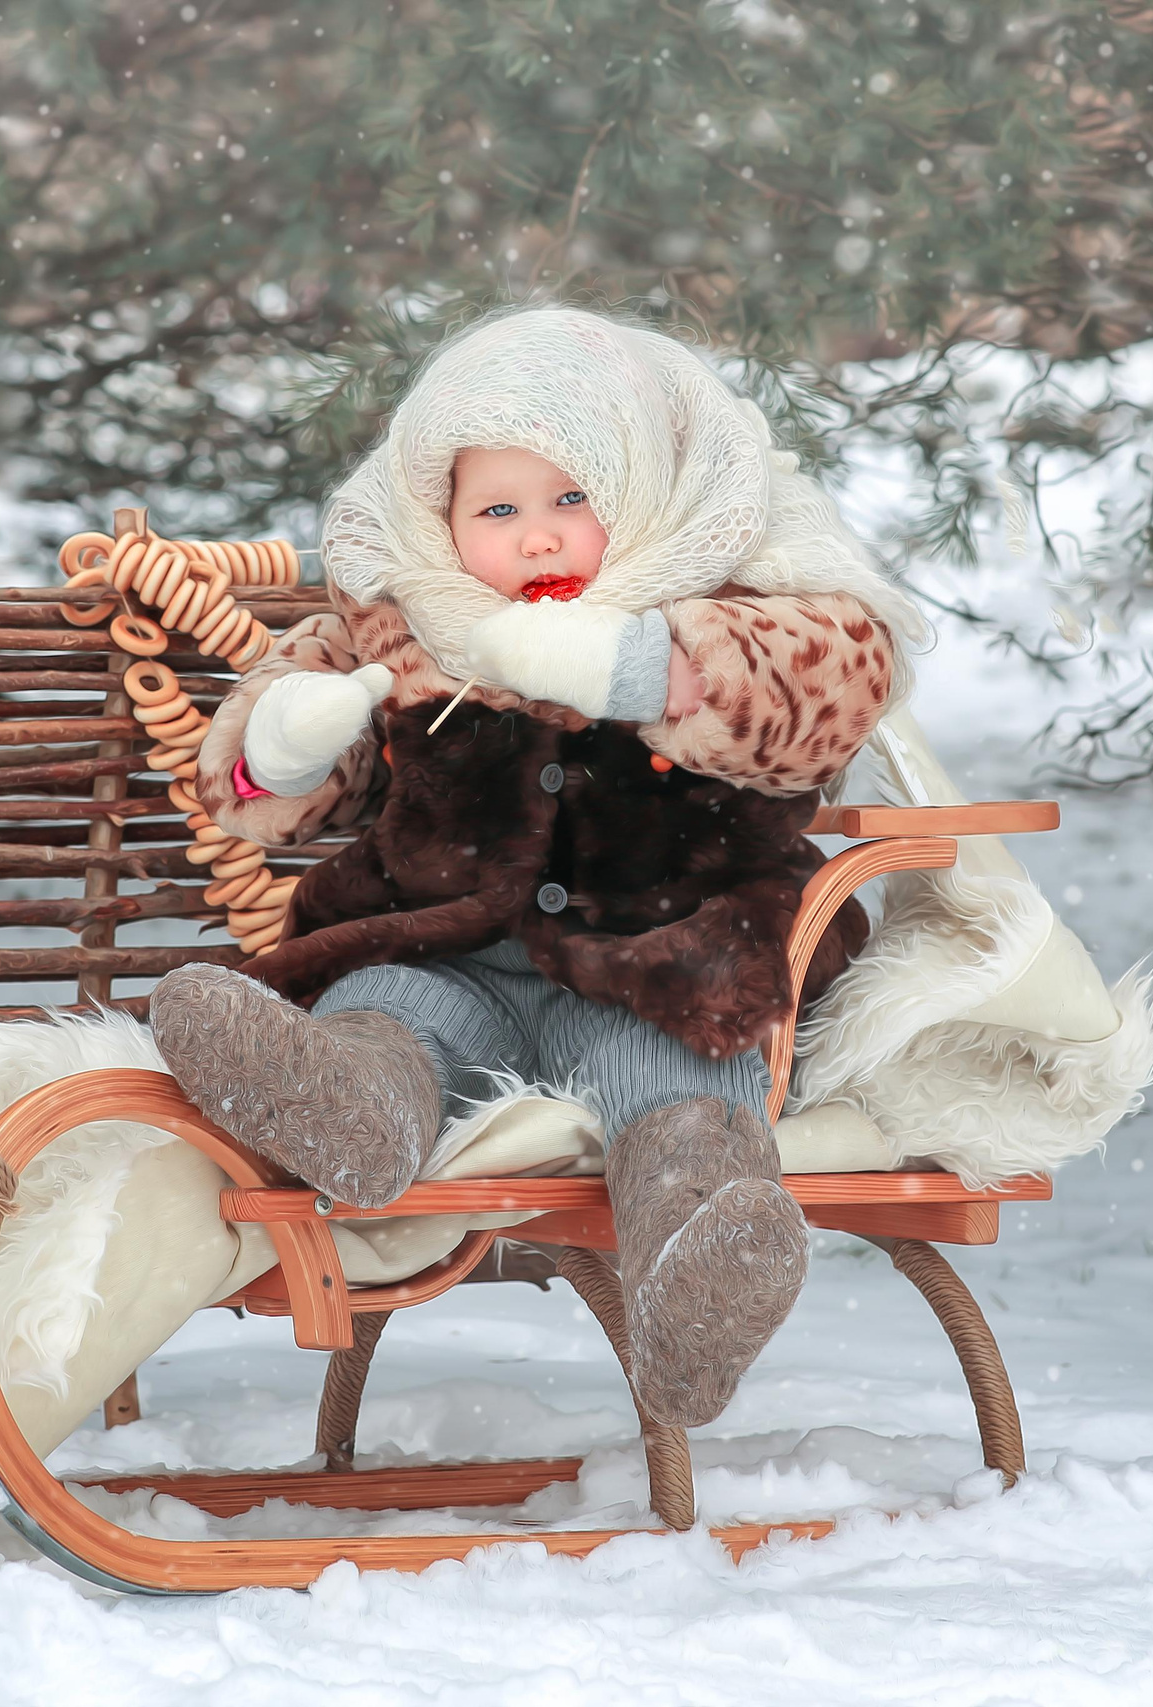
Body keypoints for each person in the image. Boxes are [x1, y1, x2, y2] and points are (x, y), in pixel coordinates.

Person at [148, 305, 922, 1428]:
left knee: (678, 1097)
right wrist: (286, 742)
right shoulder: (402, 620)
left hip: (663, 955)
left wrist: (650, 669)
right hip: (443, 950)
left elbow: (829, 692)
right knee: (388, 1019)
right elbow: (271, 788)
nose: (540, 539)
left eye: (573, 501)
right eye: (498, 510)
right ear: (440, 515)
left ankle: (700, 1271)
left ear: (646, 493)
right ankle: (345, 1109)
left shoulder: (741, 598)